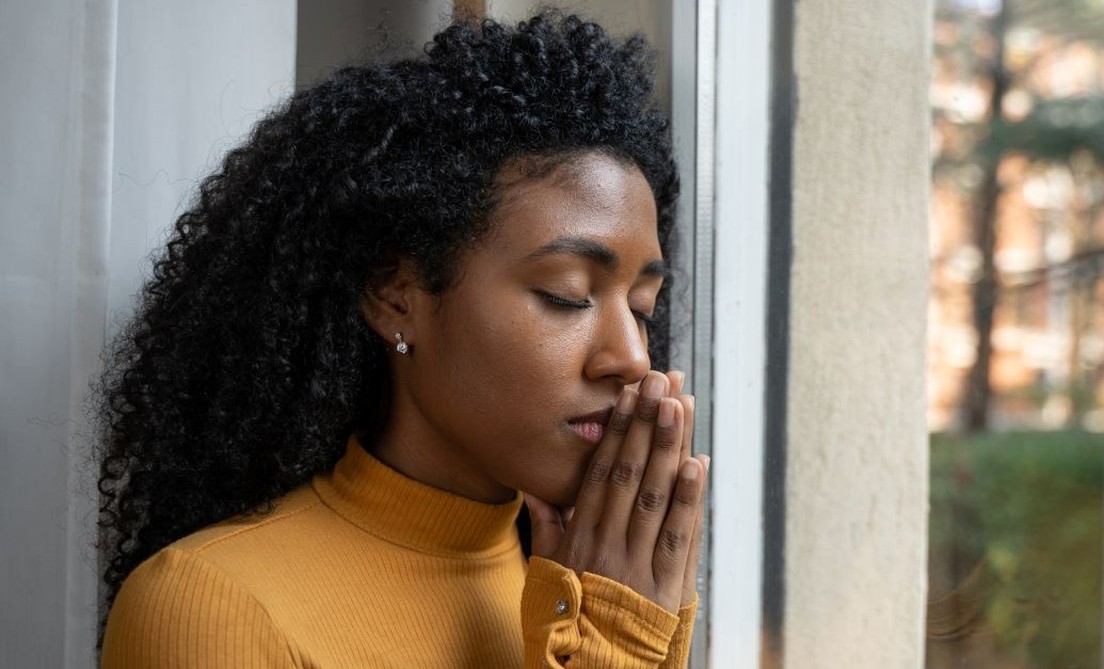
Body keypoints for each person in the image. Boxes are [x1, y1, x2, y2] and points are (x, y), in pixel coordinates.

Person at [95, 11, 708, 668]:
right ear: (396, 296)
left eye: (643, 306)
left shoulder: (595, 590)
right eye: (565, 293)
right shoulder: (214, 606)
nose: (634, 358)